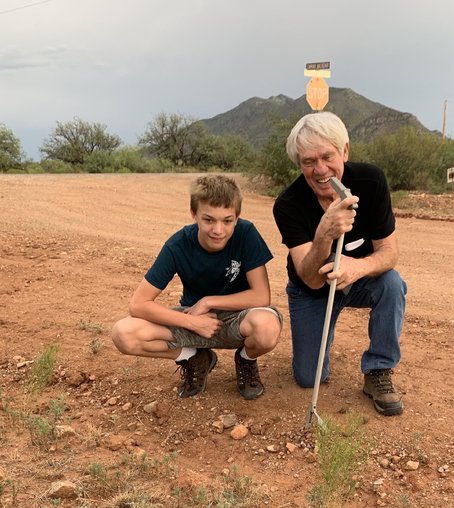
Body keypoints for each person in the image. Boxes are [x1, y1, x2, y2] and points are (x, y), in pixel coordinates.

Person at [272, 112, 407, 416]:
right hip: (311, 290)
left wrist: (356, 268)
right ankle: (318, 348)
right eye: (308, 161)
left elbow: (389, 252)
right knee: (309, 378)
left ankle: (378, 370)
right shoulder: (288, 205)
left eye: (327, 156)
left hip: (357, 279)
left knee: (392, 283)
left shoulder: (371, 182)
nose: (320, 170)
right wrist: (324, 234)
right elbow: (309, 278)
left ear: (344, 151)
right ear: (299, 164)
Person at [112, 175, 282, 400]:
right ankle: (194, 357)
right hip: (193, 320)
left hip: (237, 318)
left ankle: (246, 360)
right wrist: (192, 322)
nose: (218, 230)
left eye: (227, 221)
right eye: (208, 220)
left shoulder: (246, 233)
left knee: (267, 326)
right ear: (194, 215)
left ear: (237, 217)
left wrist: (208, 301)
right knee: (123, 334)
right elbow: (138, 304)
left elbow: (261, 296)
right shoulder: (178, 244)